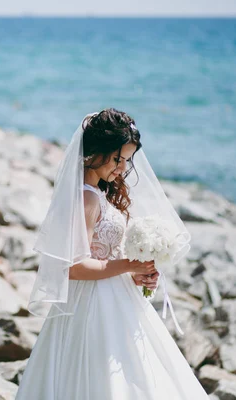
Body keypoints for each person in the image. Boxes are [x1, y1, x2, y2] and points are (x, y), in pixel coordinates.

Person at [15, 109, 209, 399]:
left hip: (115, 295)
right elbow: (74, 267)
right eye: (117, 158)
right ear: (96, 151)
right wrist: (131, 264)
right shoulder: (86, 198)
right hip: (90, 304)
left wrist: (137, 274)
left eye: (127, 160)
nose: (122, 167)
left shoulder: (97, 192)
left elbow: (103, 256)